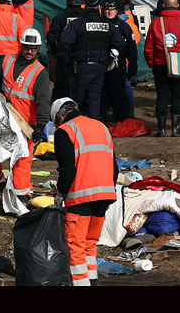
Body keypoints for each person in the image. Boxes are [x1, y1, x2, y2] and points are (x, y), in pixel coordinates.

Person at [51, 97, 118, 286]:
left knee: (76, 247)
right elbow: (114, 167)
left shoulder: (65, 131)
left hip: (80, 197)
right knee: (90, 245)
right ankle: (92, 283)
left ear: (60, 117)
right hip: (105, 195)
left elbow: (68, 169)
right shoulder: (101, 127)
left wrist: (61, 192)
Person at [0, 29, 50, 204]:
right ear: (21, 46)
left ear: (38, 48)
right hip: (3, 117)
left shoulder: (40, 73)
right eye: (26, 47)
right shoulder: (7, 61)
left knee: (22, 158)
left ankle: (21, 193)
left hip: (25, 124)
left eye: (33, 48)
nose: (29, 51)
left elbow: (43, 102)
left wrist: (40, 126)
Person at [57, 0, 125, 120]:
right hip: (100, 68)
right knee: (95, 101)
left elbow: (63, 43)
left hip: (81, 68)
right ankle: (94, 131)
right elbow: (120, 43)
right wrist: (111, 54)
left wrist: (67, 63)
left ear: (85, 7)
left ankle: (75, 126)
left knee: (77, 101)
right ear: (99, 8)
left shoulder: (77, 24)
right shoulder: (107, 25)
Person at [144, 0, 180, 137]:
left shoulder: (156, 23)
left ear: (163, 6)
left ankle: (161, 129)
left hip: (160, 64)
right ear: (178, 5)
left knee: (162, 95)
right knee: (177, 95)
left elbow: (148, 47)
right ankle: (176, 128)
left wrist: (152, 63)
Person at [100, 0, 138, 123]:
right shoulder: (98, 25)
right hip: (100, 67)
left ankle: (120, 120)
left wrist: (132, 69)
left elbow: (132, 49)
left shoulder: (124, 27)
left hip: (118, 67)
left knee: (118, 95)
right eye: (107, 9)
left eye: (112, 9)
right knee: (101, 96)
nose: (109, 11)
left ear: (117, 11)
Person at [46, 0, 85, 101]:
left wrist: (58, 53)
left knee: (62, 91)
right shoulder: (86, 16)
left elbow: (52, 37)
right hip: (84, 61)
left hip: (64, 61)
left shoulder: (60, 17)